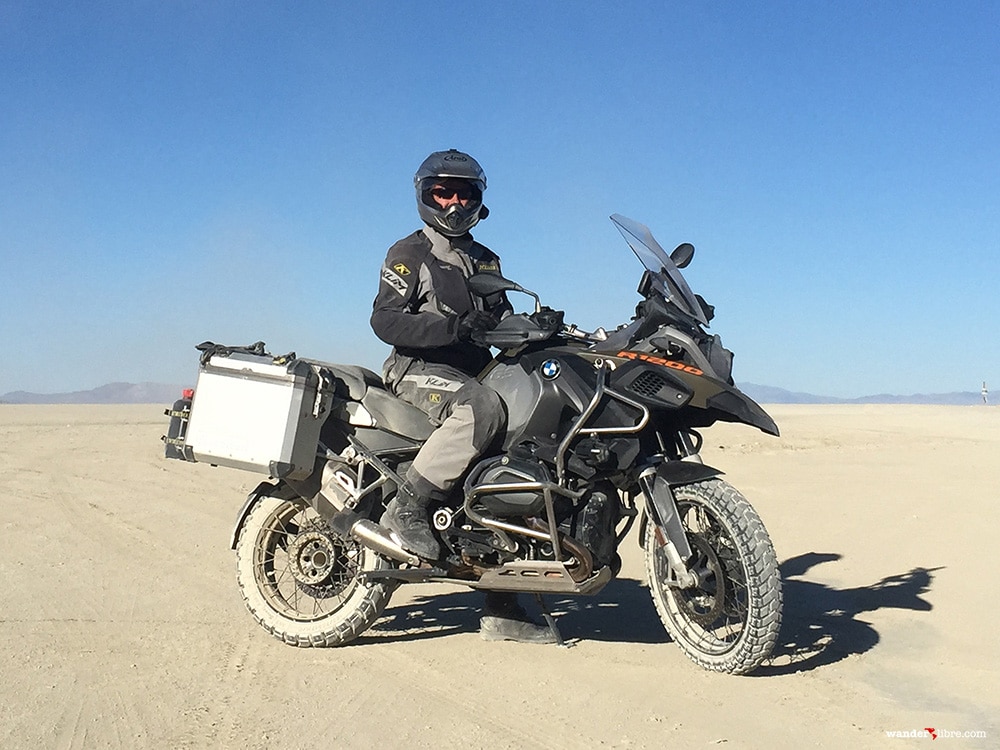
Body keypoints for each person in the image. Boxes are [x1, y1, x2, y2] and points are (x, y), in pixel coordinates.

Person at [370, 148, 555, 644]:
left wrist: (540, 328)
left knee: (527, 443)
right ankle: (406, 507)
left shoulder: (485, 259)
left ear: (477, 199)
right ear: (426, 196)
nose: (453, 202)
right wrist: (453, 326)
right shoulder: (410, 253)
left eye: (463, 193)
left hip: (475, 374)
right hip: (419, 368)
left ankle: (502, 603)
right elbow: (385, 320)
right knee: (484, 408)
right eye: (442, 192)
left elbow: (501, 320)